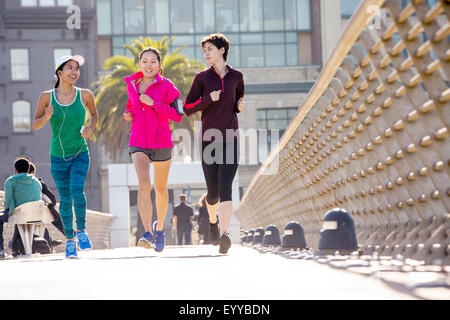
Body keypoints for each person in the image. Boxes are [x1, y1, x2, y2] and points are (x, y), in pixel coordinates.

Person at [184, 33, 246, 254]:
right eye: (204, 50)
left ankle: (225, 234)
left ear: (222, 50)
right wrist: (209, 99)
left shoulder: (237, 76)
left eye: (210, 49)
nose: (206, 53)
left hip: (231, 139)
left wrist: (240, 105)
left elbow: (237, 101)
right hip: (208, 140)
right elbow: (187, 108)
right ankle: (212, 220)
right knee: (212, 193)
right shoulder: (202, 78)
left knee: (226, 186)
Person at [33, 55, 98, 259]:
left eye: (77, 68)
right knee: (65, 198)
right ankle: (70, 241)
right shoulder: (46, 97)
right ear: (59, 72)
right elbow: (35, 124)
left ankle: (81, 231)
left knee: (77, 190)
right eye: (69, 67)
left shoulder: (85, 95)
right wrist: (47, 116)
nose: (74, 71)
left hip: (80, 152)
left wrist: (90, 128)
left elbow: (95, 115)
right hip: (58, 157)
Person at [123, 47, 182, 252]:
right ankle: (147, 232)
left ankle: (160, 229)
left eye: (153, 61)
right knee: (144, 185)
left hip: (162, 141)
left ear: (159, 65)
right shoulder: (132, 85)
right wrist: (128, 114)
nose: (148, 65)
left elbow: (177, 115)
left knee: (161, 188)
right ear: (139, 64)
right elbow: (131, 107)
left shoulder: (168, 86)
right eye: (145, 61)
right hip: (138, 140)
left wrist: (155, 103)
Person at [0, 158, 42, 259]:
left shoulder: (11, 181)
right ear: (28, 169)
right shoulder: (36, 181)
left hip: (19, 214)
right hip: (36, 215)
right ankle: (16, 249)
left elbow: (8, 201)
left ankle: (1, 250)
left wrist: (6, 210)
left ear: (15, 169)